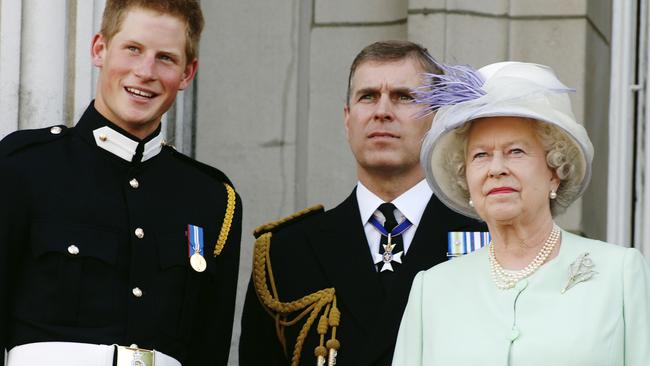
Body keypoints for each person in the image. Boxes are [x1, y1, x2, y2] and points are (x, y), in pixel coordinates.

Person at [0, 1, 242, 365]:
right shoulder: (24, 165)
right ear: (99, 49)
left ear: (188, 73)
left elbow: (210, 349)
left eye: (166, 58)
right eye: (133, 49)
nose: (145, 71)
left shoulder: (212, 199)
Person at [239, 41, 485, 366]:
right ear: (347, 119)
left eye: (403, 97)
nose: (382, 111)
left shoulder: (487, 241)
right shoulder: (285, 252)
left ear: (437, 119)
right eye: (367, 96)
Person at [392, 61, 650, 365]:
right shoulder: (431, 289)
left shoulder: (619, 274)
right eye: (480, 155)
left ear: (555, 170)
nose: (496, 168)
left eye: (516, 151)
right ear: (466, 177)